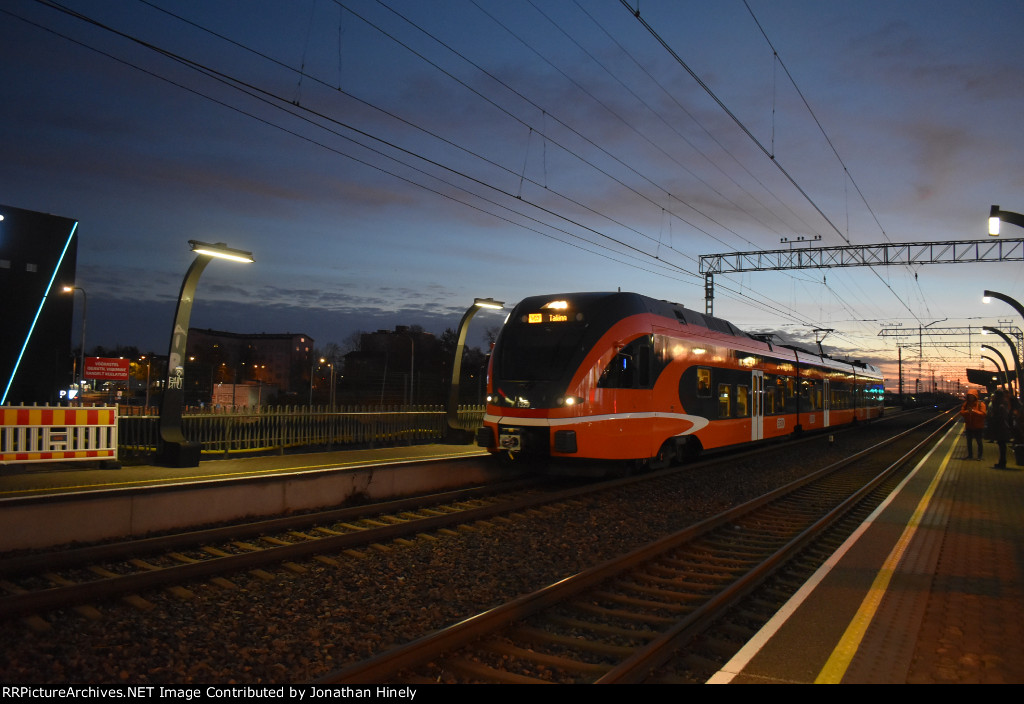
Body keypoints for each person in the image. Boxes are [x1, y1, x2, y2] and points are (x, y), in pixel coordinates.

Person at [959, 390, 986, 460]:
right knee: (969, 441)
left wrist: (974, 412)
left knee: (979, 441)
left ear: (975, 397)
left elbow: (983, 414)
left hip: (978, 426)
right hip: (969, 425)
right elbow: (961, 412)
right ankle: (970, 455)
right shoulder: (966, 404)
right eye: (969, 396)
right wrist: (967, 412)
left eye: (972, 396)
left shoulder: (981, 404)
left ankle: (980, 456)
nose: (970, 398)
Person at [988, 390, 1012, 469]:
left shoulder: (1000, 404)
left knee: (1002, 445)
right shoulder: (1002, 403)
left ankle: (1002, 463)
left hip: (1001, 427)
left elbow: (1001, 416)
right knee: (1002, 445)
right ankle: (1002, 462)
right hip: (1001, 427)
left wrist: (994, 418)